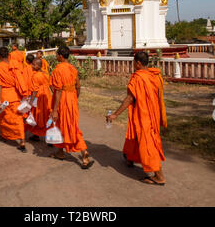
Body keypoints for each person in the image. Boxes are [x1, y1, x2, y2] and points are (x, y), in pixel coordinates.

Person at [107, 51, 167, 185]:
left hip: (144, 115)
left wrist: (115, 114)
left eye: (134, 62)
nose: (133, 65)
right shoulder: (153, 75)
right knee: (135, 136)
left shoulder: (139, 78)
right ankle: (130, 157)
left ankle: (159, 176)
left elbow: (130, 98)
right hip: (152, 114)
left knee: (148, 143)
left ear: (138, 63)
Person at [49, 45, 93, 169]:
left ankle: (83, 151)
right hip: (72, 98)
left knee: (68, 126)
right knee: (66, 125)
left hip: (63, 99)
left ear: (61, 56)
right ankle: (60, 151)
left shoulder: (58, 70)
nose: (56, 56)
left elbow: (57, 91)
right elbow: (78, 86)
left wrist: (55, 110)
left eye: (57, 54)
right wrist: (74, 98)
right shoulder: (72, 68)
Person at [0, 46, 29, 152]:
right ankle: (17, 139)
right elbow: (21, 79)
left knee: (5, 117)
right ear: (8, 55)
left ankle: (16, 139)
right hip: (15, 95)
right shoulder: (15, 65)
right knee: (17, 118)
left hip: (5, 95)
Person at [25, 58, 52, 141]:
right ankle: (49, 136)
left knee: (37, 114)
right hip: (47, 95)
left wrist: (30, 102)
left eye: (33, 64)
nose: (32, 66)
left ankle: (37, 134)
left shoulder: (36, 76)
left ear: (38, 66)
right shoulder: (45, 73)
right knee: (47, 114)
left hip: (39, 96)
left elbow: (35, 91)